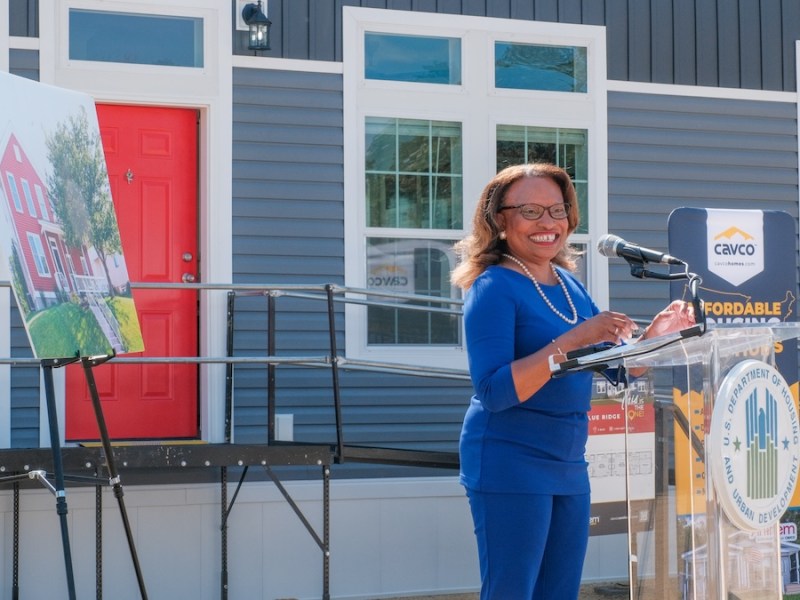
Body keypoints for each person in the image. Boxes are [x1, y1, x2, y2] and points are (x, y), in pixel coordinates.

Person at [450, 163, 695, 600]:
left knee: (559, 592)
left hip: (567, 462)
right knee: (512, 591)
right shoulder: (492, 287)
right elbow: (495, 392)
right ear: (499, 221)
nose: (548, 223)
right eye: (530, 210)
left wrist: (652, 339)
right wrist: (574, 338)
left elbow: (615, 369)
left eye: (557, 210)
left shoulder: (567, 284)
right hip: (510, 459)